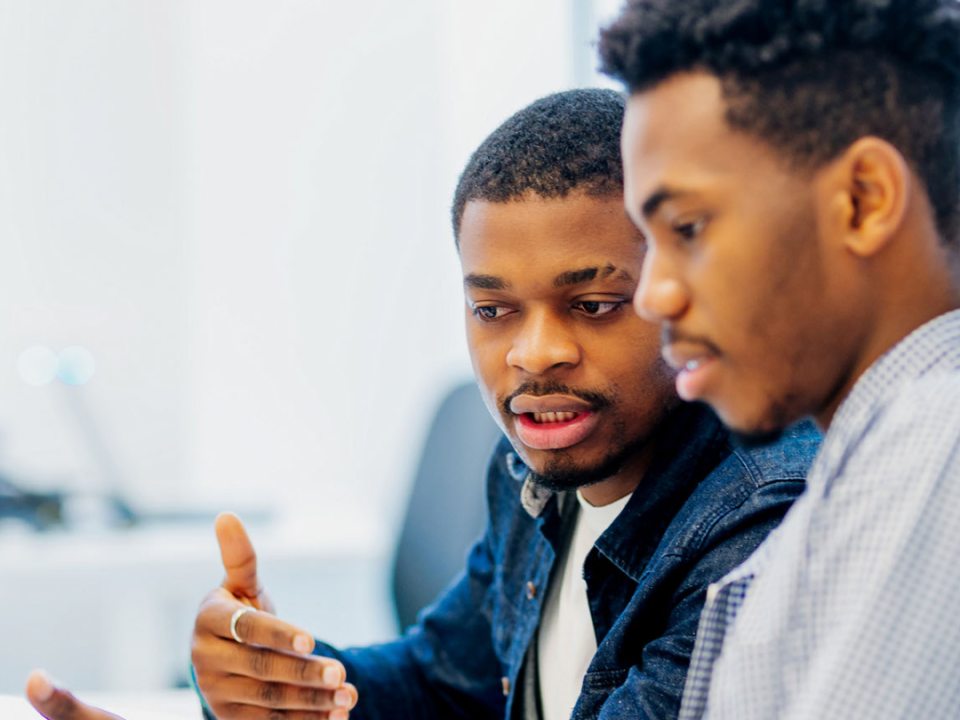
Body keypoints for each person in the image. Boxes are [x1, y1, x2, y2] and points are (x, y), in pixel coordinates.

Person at [25, 89, 819, 720]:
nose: (532, 353)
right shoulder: (535, 481)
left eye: (594, 304)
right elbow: (442, 684)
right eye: (493, 309)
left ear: (684, 291)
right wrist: (272, 679)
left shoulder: (754, 531)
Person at [599, 1, 960, 718]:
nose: (653, 296)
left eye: (688, 228)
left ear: (863, 200)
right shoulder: (873, 455)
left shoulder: (934, 441)